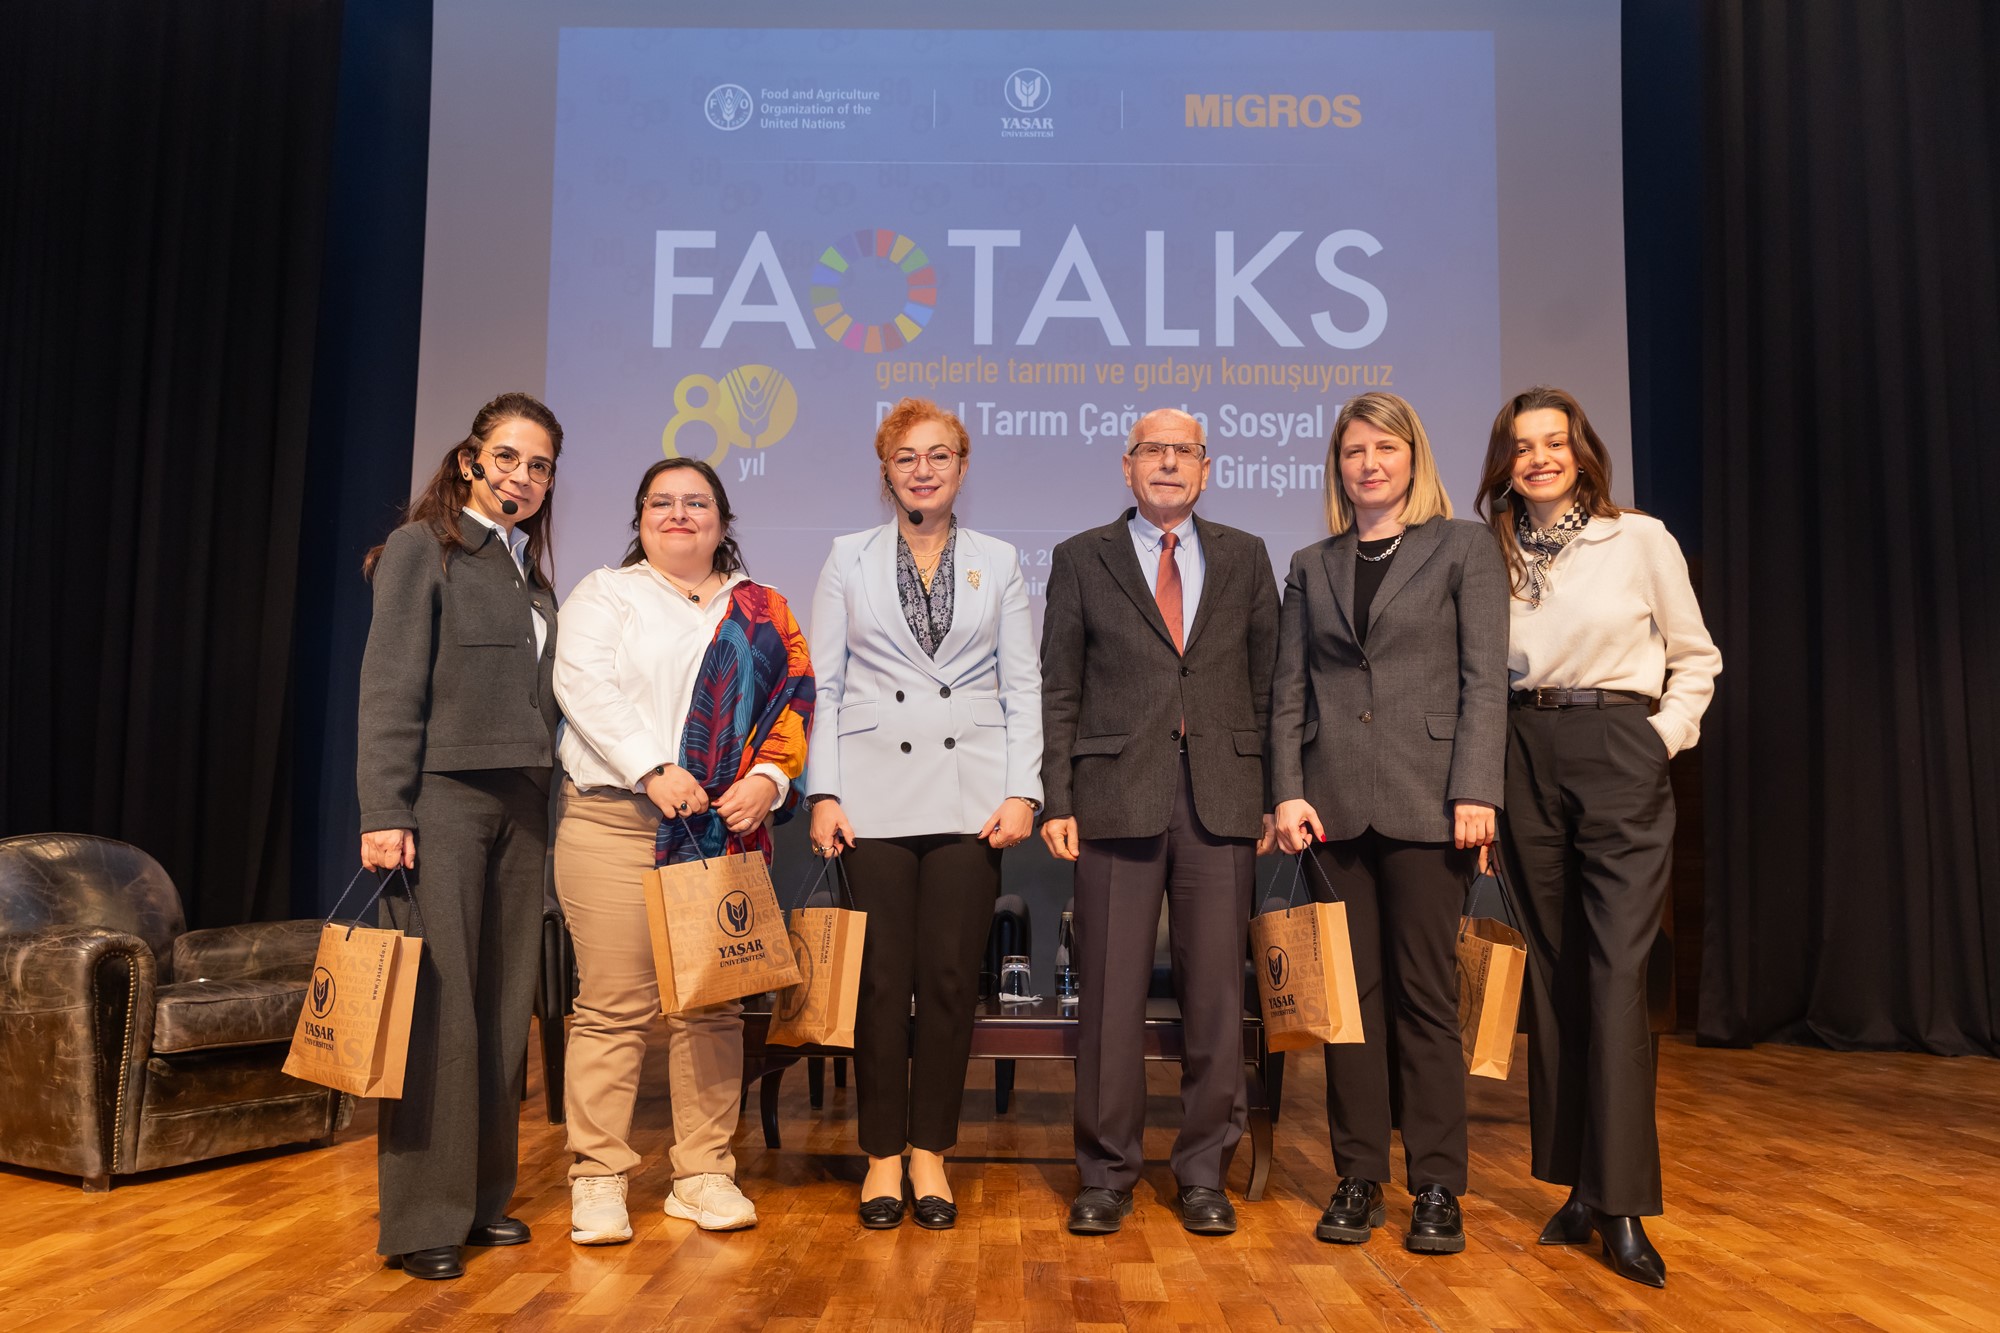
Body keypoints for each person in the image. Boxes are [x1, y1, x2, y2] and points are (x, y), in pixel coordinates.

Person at [1475, 385, 1721, 1288]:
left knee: (1617, 976)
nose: (1539, 457)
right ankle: (1577, 1185)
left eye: (1555, 442)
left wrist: (1658, 738)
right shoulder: (1488, 549)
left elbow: (1697, 656)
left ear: (1582, 453)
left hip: (1620, 744)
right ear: (1504, 461)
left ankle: (1623, 1205)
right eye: (1522, 445)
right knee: (1554, 977)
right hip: (1522, 753)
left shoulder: (1641, 538)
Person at [1269, 392, 1508, 1254]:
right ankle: (1359, 1174)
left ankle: (1438, 1182)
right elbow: (1288, 690)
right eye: (1353, 451)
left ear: (1414, 456)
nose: (1368, 463)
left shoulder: (1463, 546)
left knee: (1425, 999)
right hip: (1332, 807)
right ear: (1337, 467)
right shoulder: (1312, 561)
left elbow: (1486, 680)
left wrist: (1476, 789)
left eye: (1384, 447)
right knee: (1348, 1006)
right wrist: (1287, 790)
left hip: (1431, 803)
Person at [551, 457, 813, 1244]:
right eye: (660, 503)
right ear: (638, 520)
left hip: (719, 832)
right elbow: (582, 685)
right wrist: (652, 768)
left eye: (695, 502)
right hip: (615, 821)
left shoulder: (764, 608)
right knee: (612, 1007)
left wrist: (769, 777)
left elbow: (795, 697)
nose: (678, 514)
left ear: (722, 521)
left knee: (712, 1007)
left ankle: (703, 1172)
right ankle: (597, 1176)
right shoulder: (605, 594)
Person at [805, 397, 1043, 1231]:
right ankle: (880, 1154)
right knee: (878, 982)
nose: (924, 469)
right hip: (870, 795)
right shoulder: (847, 559)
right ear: (886, 470)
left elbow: (1022, 686)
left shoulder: (1000, 561)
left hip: (970, 794)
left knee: (947, 980)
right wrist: (822, 790)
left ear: (963, 467)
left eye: (939, 455)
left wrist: (1024, 790)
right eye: (907, 456)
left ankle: (931, 1150)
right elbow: (825, 686)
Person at [1040, 406, 1279, 1237]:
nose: (1169, 463)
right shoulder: (1080, 558)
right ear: (1127, 465)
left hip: (1223, 796)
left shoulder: (1247, 555)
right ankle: (1106, 1172)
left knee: (1216, 996)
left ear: (1206, 469)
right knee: (1110, 997)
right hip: (1113, 796)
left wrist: (1274, 793)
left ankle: (1204, 1169)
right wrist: (1058, 797)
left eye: (1184, 452)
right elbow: (1059, 688)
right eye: (1154, 450)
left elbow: (1269, 684)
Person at [357, 391, 564, 1280]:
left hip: (523, 803)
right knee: (439, 1011)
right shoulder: (422, 550)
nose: (524, 474)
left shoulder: (531, 570)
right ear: (474, 458)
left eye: (541, 464)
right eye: (510, 456)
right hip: (440, 801)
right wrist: (383, 811)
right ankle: (421, 1217)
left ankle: (482, 1199)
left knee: (500, 1001)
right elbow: (390, 686)